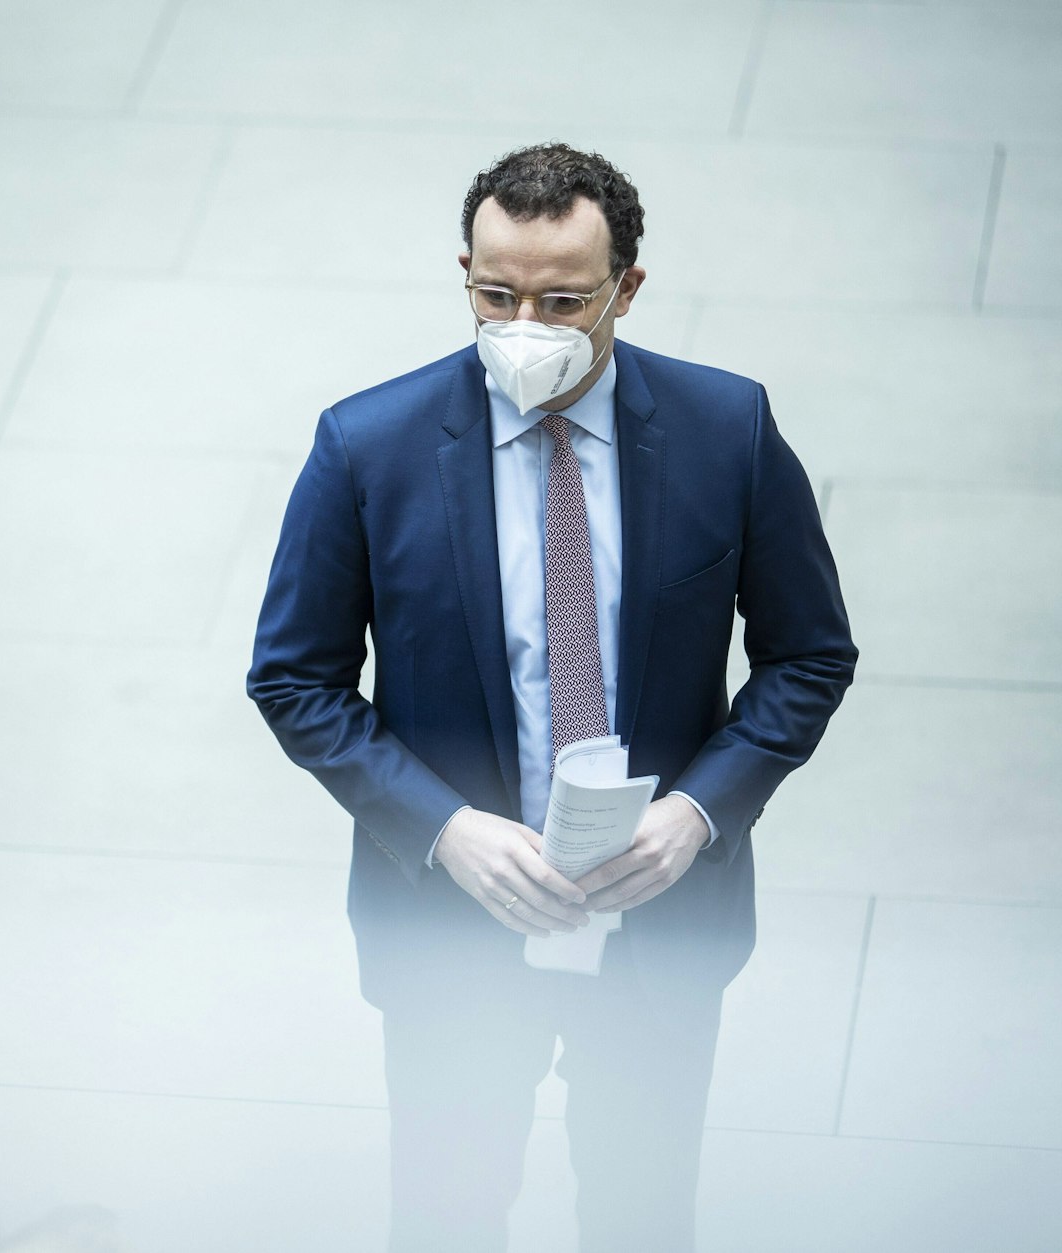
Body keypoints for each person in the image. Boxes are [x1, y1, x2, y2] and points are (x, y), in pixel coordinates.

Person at [247, 143, 856, 1253]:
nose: (521, 322)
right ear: (465, 275)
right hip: (451, 927)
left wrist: (699, 811)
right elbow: (293, 676)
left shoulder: (727, 432)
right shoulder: (364, 447)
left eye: (562, 298)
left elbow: (806, 654)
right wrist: (442, 830)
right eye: (494, 293)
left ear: (626, 287)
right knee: (444, 1212)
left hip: (658, 923)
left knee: (640, 1212)